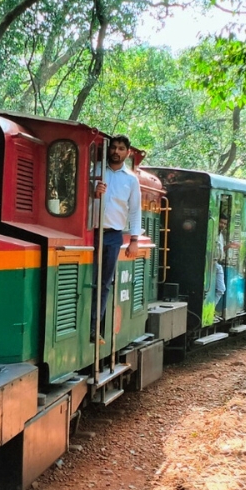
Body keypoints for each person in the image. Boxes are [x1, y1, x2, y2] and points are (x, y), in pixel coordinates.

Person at [91, 135, 141, 345]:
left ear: (127, 153)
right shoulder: (94, 171)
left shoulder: (131, 179)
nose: (116, 151)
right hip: (89, 232)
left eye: (121, 148)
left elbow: (135, 210)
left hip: (113, 235)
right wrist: (93, 193)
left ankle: (94, 328)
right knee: (88, 281)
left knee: (104, 283)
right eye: (114, 147)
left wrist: (135, 239)